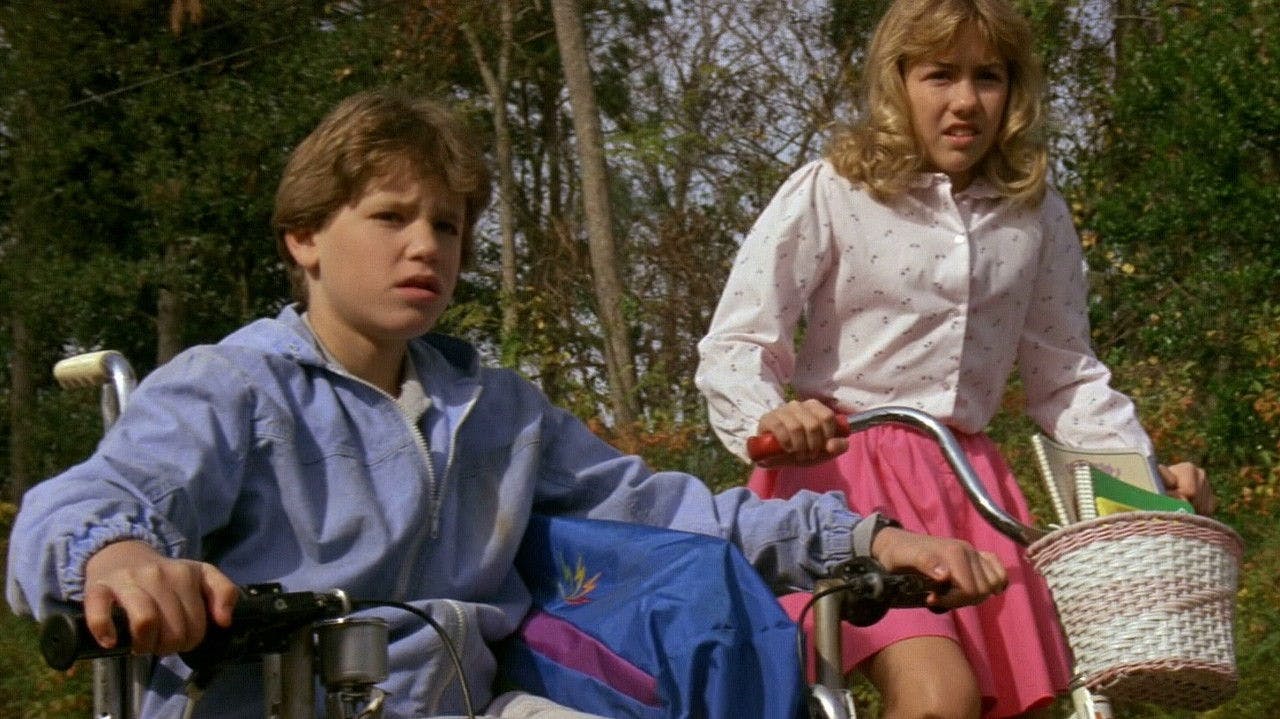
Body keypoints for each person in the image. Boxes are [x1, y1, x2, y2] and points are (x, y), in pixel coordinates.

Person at [6, 90, 1008, 719]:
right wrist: (118, 560)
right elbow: (84, 502)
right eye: (390, 216)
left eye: (447, 225)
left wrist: (864, 537)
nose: (425, 245)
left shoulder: (491, 407)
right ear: (303, 237)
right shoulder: (233, 387)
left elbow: (671, 511)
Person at [694, 1, 1215, 718]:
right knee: (939, 696)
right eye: (940, 75)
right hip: (844, 474)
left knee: (1021, 708)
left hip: (970, 486)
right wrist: (771, 417)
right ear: (898, 81)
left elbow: (1067, 378)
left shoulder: (1033, 213)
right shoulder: (834, 188)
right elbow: (738, 341)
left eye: (988, 77)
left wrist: (1147, 485)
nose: (966, 101)